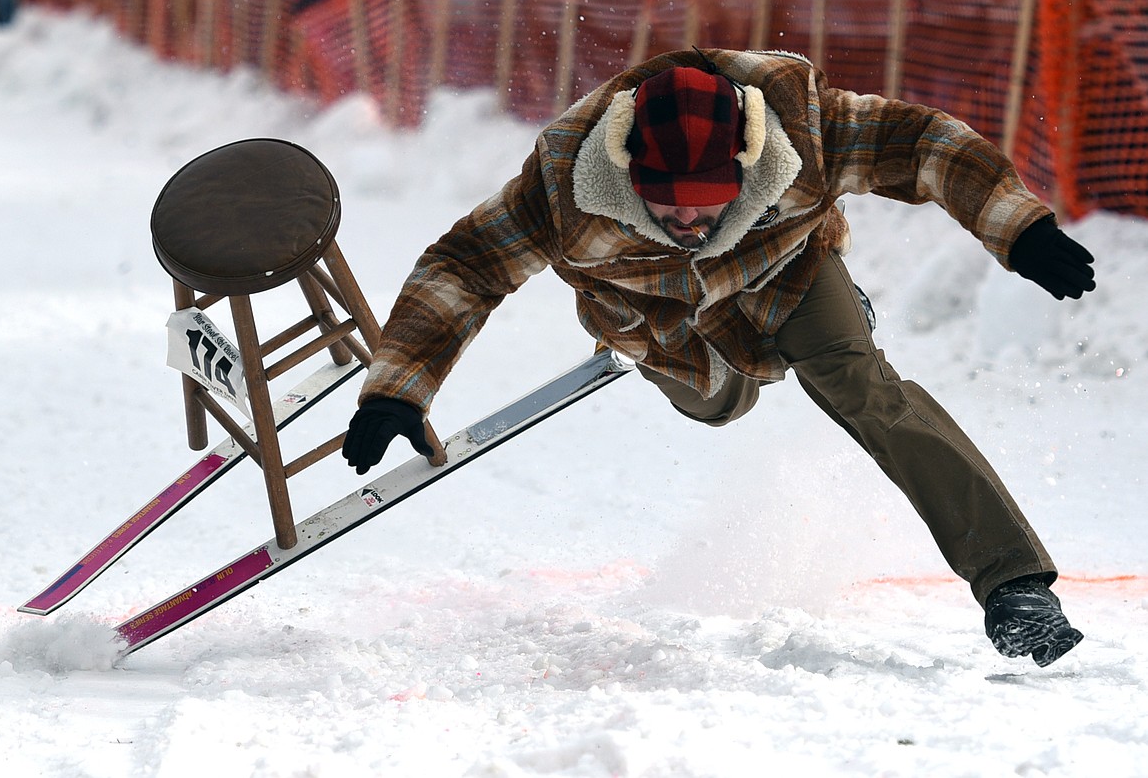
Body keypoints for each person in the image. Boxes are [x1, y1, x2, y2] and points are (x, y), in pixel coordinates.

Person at [341, 49, 1095, 667]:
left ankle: (1014, 584)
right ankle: (740, 362)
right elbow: (467, 263)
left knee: (861, 386)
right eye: (665, 203)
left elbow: (926, 144)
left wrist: (1017, 228)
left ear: (745, 160)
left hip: (786, 274)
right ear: (628, 169)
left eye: (706, 200)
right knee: (720, 405)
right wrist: (399, 389)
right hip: (656, 316)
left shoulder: (807, 129)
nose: (687, 221)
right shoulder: (564, 183)